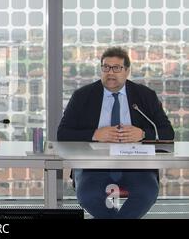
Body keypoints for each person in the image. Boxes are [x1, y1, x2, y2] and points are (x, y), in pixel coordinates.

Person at [57, 46, 174, 219]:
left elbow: (167, 133)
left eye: (116, 68)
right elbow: (63, 133)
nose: (110, 73)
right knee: (89, 196)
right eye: (106, 67)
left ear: (127, 71)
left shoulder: (145, 95)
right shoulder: (83, 96)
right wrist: (94, 134)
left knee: (146, 194)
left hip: (136, 165)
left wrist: (142, 134)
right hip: (93, 166)